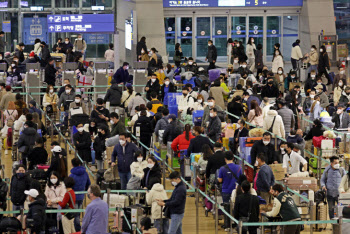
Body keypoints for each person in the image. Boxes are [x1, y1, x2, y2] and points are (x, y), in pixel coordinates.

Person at [69, 157, 91, 231]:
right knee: (78, 213)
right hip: (81, 196)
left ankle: (77, 229)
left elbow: (69, 187)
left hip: (73, 197)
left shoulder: (71, 175)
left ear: (72, 164)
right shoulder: (85, 173)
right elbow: (89, 184)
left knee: (75, 214)